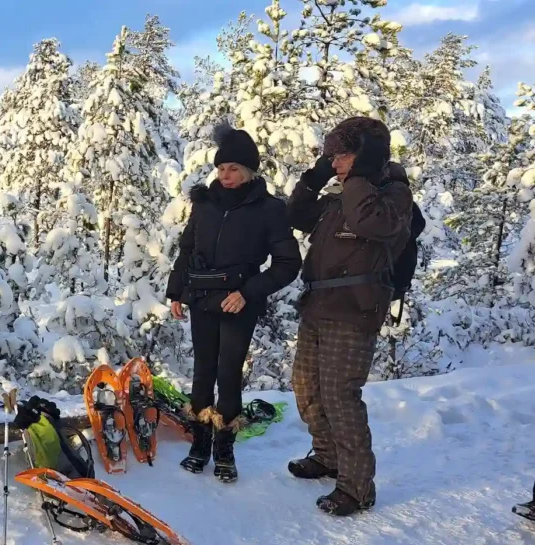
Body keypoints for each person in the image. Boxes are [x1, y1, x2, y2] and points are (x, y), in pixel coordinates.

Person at [286, 117, 413, 516]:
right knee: (305, 387)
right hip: (318, 306)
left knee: (340, 397)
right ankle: (327, 456)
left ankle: (357, 487)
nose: (335, 163)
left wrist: (358, 175)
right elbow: (297, 215)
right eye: (333, 156)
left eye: (342, 155)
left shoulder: (393, 198)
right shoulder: (344, 196)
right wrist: (314, 178)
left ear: (367, 156)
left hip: (354, 310)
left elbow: (366, 222)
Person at [166, 123, 302, 483]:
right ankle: (199, 445)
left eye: (234, 169)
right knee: (202, 373)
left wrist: (247, 293)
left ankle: (224, 451)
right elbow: (187, 249)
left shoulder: (269, 209)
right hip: (201, 298)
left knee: (228, 375)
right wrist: (176, 291)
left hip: (238, 303)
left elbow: (288, 263)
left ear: (249, 171)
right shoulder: (204, 203)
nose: (225, 175)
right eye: (221, 168)